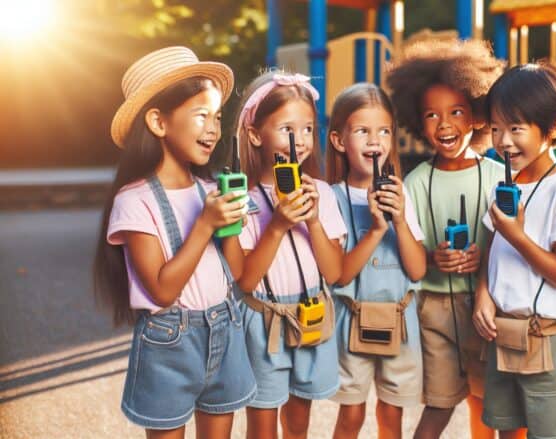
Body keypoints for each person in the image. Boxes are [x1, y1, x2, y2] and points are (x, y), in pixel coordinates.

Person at [94, 46, 256, 438]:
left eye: (217, 117)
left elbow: (240, 273)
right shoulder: (135, 201)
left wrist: (232, 223)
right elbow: (162, 290)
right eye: (201, 115)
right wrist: (204, 225)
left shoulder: (211, 190)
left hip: (225, 325)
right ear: (158, 122)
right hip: (168, 340)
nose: (214, 129)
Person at [387, 38, 505, 439]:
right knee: (438, 403)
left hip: (488, 307)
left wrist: (481, 259)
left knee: (491, 402)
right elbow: (411, 251)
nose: (445, 123)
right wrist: (436, 258)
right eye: (432, 115)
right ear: (418, 124)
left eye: (456, 111)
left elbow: (510, 239)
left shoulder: (495, 176)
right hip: (435, 308)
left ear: (477, 116)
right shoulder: (416, 182)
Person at [473, 62, 556, 439]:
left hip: (546, 338)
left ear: (553, 128)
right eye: (495, 129)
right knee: (507, 428)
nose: (503, 141)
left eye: (516, 128)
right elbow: (492, 248)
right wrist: (482, 296)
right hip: (502, 331)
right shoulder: (504, 184)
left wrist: (518, 235)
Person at [233, 70, 345, 439]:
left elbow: (335, 273)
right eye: (286, 129)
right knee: (263, 425)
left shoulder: (323, 194)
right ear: (254, 135)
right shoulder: (243, 202)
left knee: (299, 420)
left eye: (308, 129)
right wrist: (278, 225)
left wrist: (313, 221)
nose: (299, 141)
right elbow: (246, 280)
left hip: (312, 313)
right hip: (264, 318)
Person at [325, 83, 427, 438]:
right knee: (351, 415)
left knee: (391, 416)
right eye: (362, 131)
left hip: (399, 319)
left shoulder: (402, 194)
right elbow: (339, 276)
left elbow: (417, 269)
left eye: (384, 130)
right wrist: (373, 230)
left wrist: (398, 220)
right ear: (339, 140)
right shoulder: (332, 197)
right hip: (350, 320)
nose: (375, 141)